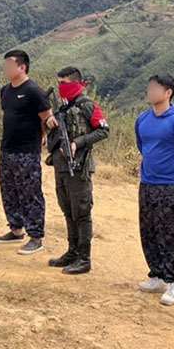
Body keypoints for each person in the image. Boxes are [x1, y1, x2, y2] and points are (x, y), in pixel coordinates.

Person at [135, 74, 174, 306]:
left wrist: (173, 172)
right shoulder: (143, 119)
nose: (150, 91)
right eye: (149, 86)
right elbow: (142, 146)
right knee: (148, 230)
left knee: (170, 234)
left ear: (168, 92)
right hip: (147, 183)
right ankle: (157, 275)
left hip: (171, 186)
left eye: (155, 88)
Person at [45, 67, 109, 274]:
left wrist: (78, 142)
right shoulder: (63, 108)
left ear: (76, 83)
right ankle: (72, 251)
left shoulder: (87, 105)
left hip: (79, 166)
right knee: (68, 210)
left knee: (81, 211)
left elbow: (103, 130)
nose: (61, 87)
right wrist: (49, 123)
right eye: (59, 83)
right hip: (61, 166)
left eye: (64, 83)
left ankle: (84, 257)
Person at [0, 50, 52, 255]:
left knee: (30, 192)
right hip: (7, 148)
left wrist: (41, 137)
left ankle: (36, 236)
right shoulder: (5, 91)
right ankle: (15, 229)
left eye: (9, 65)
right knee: (9, 190)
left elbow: (47, 118)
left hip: (27, 150)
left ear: (22, 67)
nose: (6, 69)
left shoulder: (34, 91)